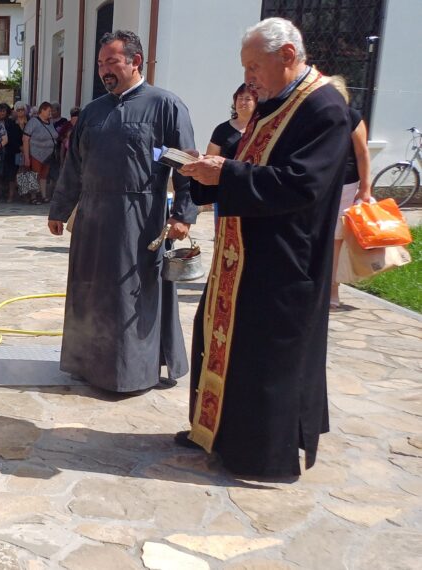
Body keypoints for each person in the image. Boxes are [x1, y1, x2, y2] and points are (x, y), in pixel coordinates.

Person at [177, 18, 352, 477]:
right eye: (246, 66)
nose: (248, 77)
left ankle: (258, 454)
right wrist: (210, 175)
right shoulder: (272, 104)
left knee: (265, 358)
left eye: (254, 66)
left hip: (283, 260)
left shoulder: (323, 109)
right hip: (242, 255)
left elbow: (300, 185)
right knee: (225, 343)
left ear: (287, 56)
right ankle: (216, 432)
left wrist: (227, 175)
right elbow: (249, 166)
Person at [46, 30, 198, 393]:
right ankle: (88, 364)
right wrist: (60, 207)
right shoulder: (93, 112)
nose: (104, 71)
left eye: (112, 62)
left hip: (139, 220)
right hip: (93, 219)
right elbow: (74, 164)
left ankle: (131, 372)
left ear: (135, 61)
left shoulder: (165, 106)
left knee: (132, 293)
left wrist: (182, 215)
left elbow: (186, 165)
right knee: (90, 290)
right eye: (101, 64)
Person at [326, 75, 372, 309]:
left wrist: (365, 188)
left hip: (344, 185)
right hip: (320, 184)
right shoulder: (319, 116)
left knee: (334, 240)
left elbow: (363, 152)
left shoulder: (351, 117)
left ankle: (333, 291)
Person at [207, 83, 257, 160]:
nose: (242, 102)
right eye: (240, 98)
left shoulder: (262, 130)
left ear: (256, 103)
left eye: (248, 99)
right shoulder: (222, 129)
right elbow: (209, 161)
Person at [22, 102, 60, 204]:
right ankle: (33, 197)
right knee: (33, 175)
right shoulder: (33, 122)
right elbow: (25, 139)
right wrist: (26, 157)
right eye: (49, 111)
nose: (50, 113)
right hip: (35, 153)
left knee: (43, 176)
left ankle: (43, 195)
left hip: (48, 154)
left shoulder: (50, 122)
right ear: (42, 110)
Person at [6, 101, 29, 201]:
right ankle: (11, 194)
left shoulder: (30, 122)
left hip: (28, 151)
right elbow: (10, 138)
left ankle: (25, 194)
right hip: (14, 152)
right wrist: (20, 147)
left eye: (22, 109)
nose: (20, 111)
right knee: (13, 173)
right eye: (18, 110)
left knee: (25, 172)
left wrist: (26, 148)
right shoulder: (11, 123)